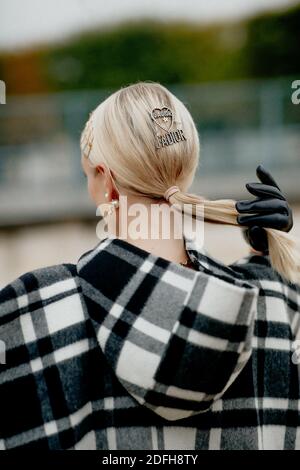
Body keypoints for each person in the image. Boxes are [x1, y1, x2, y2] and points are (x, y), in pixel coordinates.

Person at [0, 81, 299, 450]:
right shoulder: (273, 304)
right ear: (185, 170)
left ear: (106, 182)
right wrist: (270, 262)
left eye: (88, 174)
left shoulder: (31, 312)